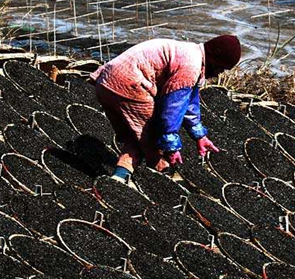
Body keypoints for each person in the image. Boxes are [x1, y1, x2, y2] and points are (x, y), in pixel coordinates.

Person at [90, 35, 241, 183]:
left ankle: (119, 178)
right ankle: (161, 184)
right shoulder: (191, 66)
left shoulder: (190, 52)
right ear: (214, 60)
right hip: (129, 85)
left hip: (105, 83)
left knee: (137, 138)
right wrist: (171, 147)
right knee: (155, 143)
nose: (217, 74)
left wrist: (200, 136)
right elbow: (171, 110)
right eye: (221, 69)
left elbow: (188, 103)